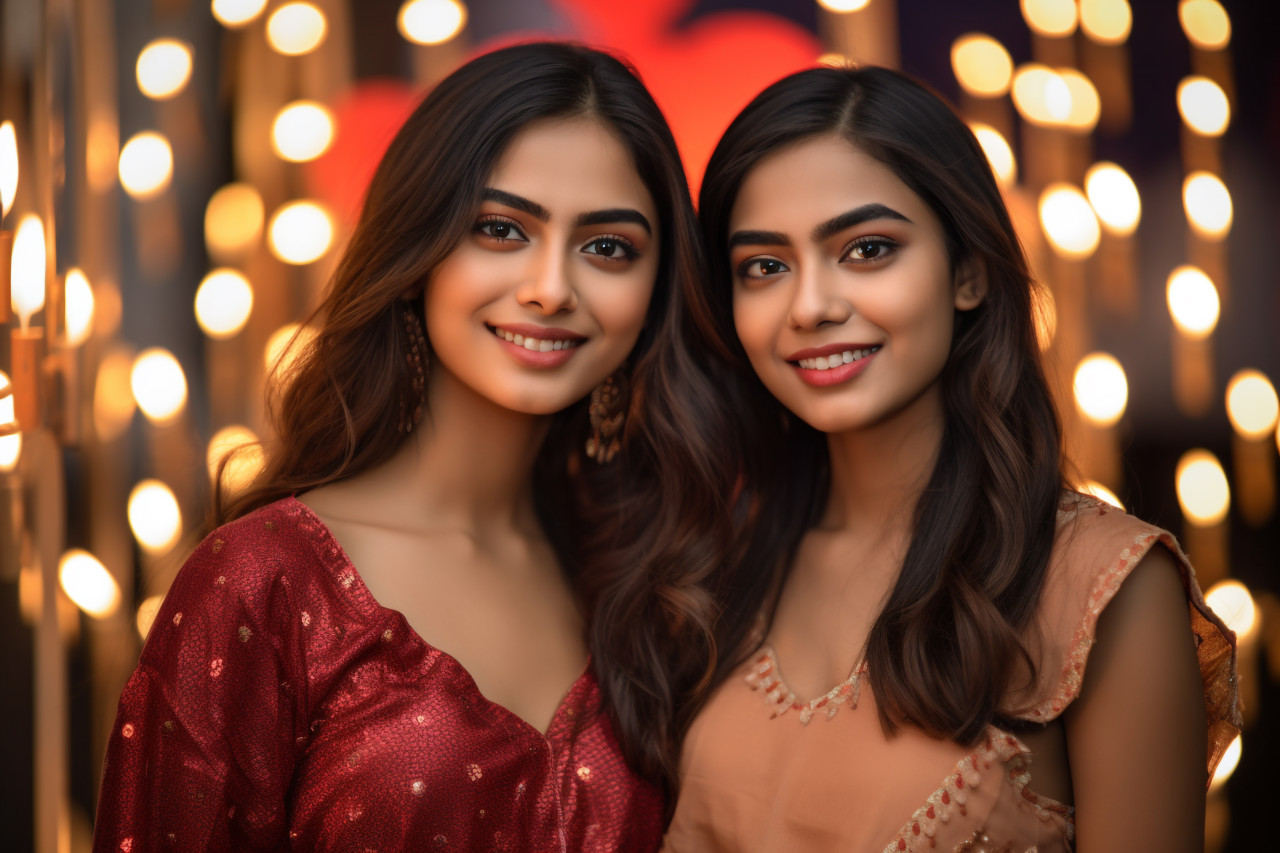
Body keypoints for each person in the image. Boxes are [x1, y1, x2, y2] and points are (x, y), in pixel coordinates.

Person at [94, 42, 731, 852]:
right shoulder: (262, 583)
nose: (552, 287)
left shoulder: (649, 570)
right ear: (418, 246)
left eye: (607, 246)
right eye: (502, 228)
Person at [664, 65, 1241, 852]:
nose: (810, 306)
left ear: (968, 271)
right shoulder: (704, 562)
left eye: (867, 249)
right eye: (764, 265)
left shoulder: (1104, 586)